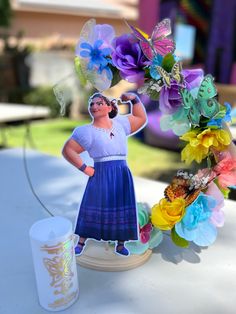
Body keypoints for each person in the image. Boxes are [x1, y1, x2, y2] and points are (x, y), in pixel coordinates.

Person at [62, 92, 147, 256]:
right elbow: (68, 150)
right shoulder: (85, 132)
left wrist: (134, 100)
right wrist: (85, 168)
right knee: (93, 204)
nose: (94, 106)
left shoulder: (121, 123)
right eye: (91, 104)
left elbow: (141, 118)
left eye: (99, 103)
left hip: (121, 171)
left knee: (120, 205)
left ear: (109, 107)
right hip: (100, 173)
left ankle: (120, 244)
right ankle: (81, 241)